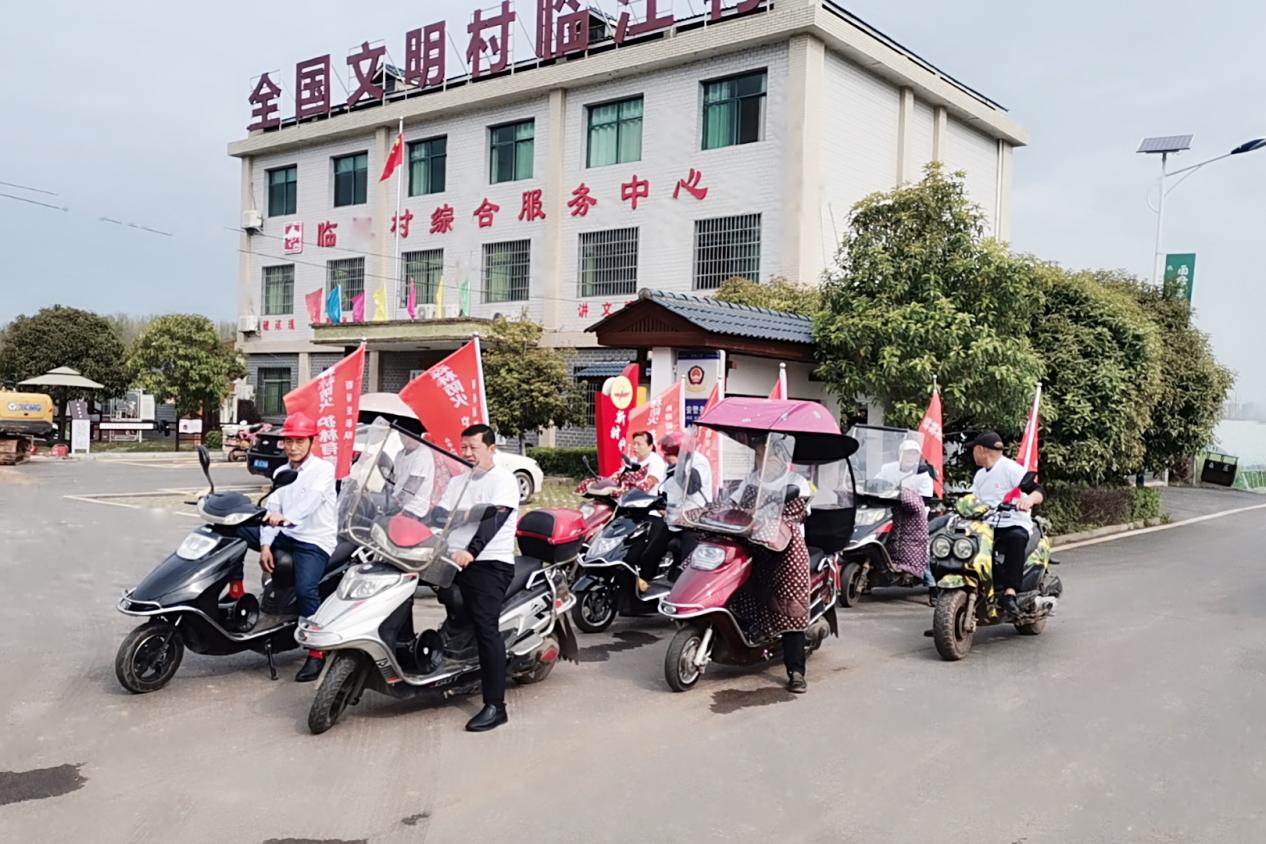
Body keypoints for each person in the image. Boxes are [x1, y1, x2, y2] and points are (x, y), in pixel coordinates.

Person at [237, 412, 337, 682]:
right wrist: (266, 545)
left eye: (299, 441)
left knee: (306, 590)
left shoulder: (323, 471)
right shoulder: (281, 472)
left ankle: (316, 652)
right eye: (289, 441)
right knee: (233, 532)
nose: (293, 447)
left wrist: (288, 519)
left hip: (313, 539)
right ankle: (236, 593)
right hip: (285, 535)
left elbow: (311, 502)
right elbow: (272, 509)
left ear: (311, 442)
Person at [439, 424, 521, 733]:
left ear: (491, 448)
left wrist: (471, 551)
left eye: (474, 447)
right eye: (464, 447)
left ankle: (496, 706)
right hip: (454, 560)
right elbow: (439, 516)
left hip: (490, 563)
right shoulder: (458, 481)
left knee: (487, 628)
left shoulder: (503, 481)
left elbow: (494, 519)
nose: (468, 453)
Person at [727, 434, 814, 695]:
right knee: (740, 591)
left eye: (767, 455)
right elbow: (734, 507)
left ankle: (796, 671)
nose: (762, 460)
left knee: (790, 608)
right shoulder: (752, 479)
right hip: (754, 544)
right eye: (757, 454)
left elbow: (796, 513)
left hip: (786, 550)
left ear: (781, 456)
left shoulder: (796, 482)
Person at [969, 431, 1045, 620]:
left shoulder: (1010, 468)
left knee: (1016, 538)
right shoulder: (979, 476)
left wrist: (1029, 500)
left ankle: (1010, 593)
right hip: (986, 524)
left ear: (981, 450)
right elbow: (973, 500)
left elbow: (1038, 490)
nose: (973, 454)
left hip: (1013, 522)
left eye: (974, 450)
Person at [387, 419, 435, 517]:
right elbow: (393, 480)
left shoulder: (423, 454)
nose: (406, 440)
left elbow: (411, 488)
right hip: (396, 501)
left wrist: (394, 504)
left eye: (411, 437)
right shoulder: (400, 454)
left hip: (412, 509)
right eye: (403, 436)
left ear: (418, 436)